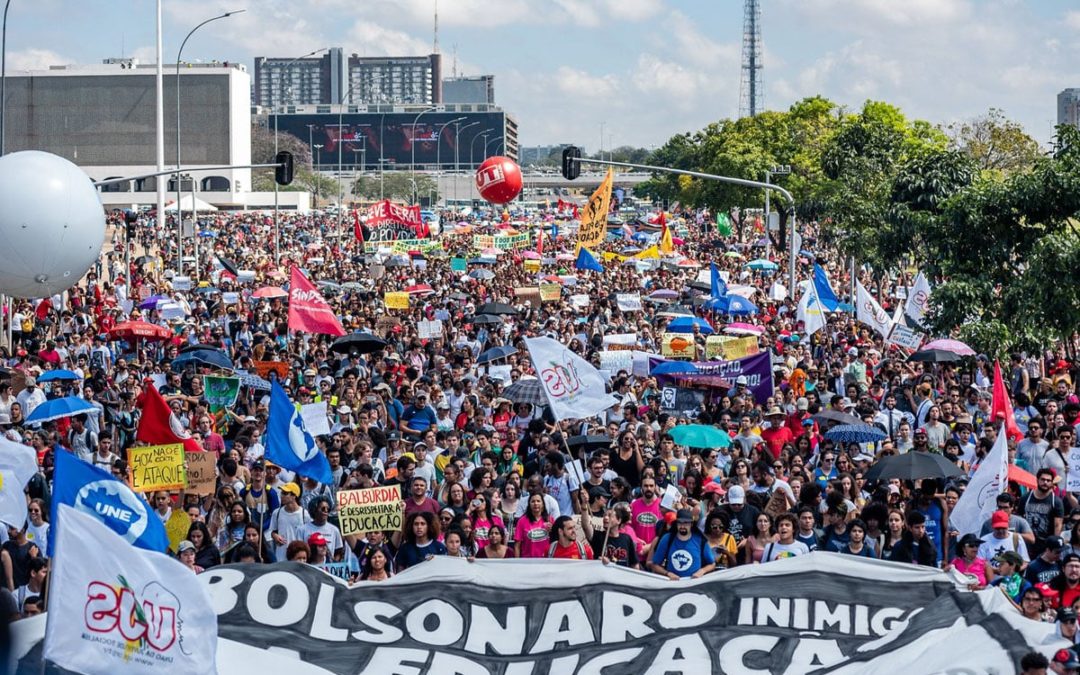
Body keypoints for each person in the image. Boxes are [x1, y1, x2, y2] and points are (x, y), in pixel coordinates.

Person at [649, 508, 715, 579]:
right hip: (673, 585)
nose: (682, 526)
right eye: (680, 522)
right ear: (676, 523)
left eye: (686, 523)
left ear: (691, 524)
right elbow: (654, 565)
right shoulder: (667, 539)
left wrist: (702, 571)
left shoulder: (701, 540)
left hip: (694, 585)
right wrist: (668, 573)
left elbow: (712, 564)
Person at [269, 483, 310, 562]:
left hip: (298, 557)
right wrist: (275, 536)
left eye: (285, 493)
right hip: (281, 555)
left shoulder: (305, 514)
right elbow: (273, 531)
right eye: (282, 493)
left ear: (294, 496)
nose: (282, 496)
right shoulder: (276, 513)